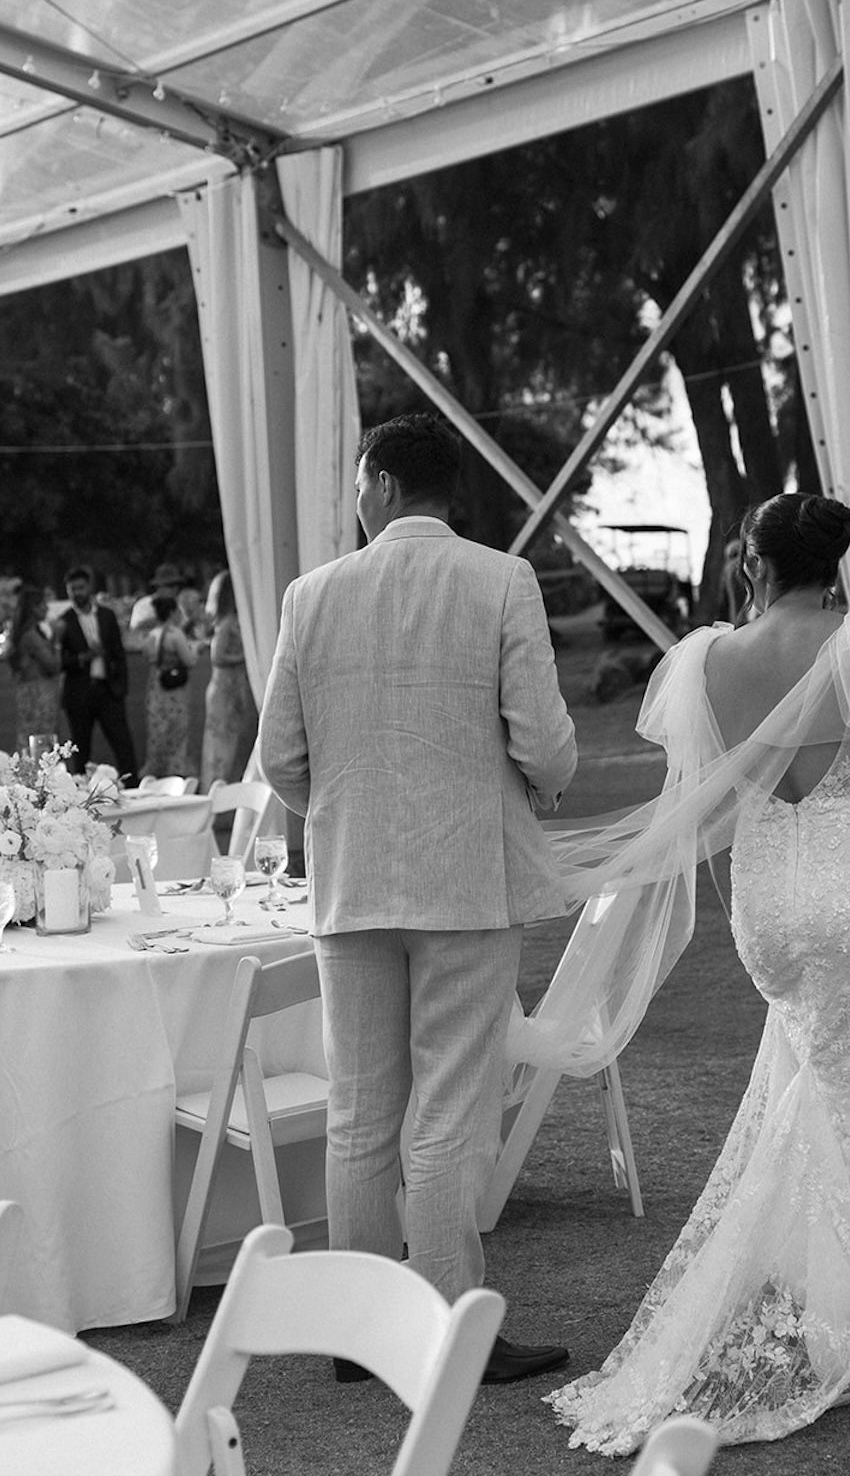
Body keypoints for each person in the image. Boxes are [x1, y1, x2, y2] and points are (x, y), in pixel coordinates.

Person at [547, 493, 850, 1454]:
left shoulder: (705, 658)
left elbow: (705, 798)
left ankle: (826, 1313)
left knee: (805, 1089)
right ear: (832, 565)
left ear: (753, 563)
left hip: (771, 901)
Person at [258, 413, 578, 1384]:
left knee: (358, 1113)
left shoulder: (311, 596)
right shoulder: (500, 581)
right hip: (465, 881)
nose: (354, 501)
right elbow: (545, 743)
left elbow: (280, 756)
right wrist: (537, 783)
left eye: (359, 484)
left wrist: (342, 815)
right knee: (447, 1111)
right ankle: (447, 1329)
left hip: (352, 883)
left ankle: (361, 1330)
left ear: (386, 487)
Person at [57, 565, 138, 782]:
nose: (77, 593)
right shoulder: (64, 621)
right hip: (79, 691)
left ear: (89, 588)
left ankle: (133, 786)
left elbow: (119, 654)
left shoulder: (106, 616)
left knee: (122, 743)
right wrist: (82, 658)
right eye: (73, 589)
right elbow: (60, 660)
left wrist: (121, 688)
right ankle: (80, 793)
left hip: (108, 688)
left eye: (81, 588)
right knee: (80, 747)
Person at [198, 570, 254, 796]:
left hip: (233, 687)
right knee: (220, 746)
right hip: (224, 689)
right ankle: (217, 794)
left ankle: (227, 794)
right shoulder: (228, 623)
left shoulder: (232, 622)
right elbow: (217, 656)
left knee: (232, 743)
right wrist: (246, 657)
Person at [141, 591, 198, 779]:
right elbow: (189, 661)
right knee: (177, 739)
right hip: (174, 694)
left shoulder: (151, 636)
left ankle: (155, 778)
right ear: (173, 612)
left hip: (155, 692)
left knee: (157, 738)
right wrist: (196, 649)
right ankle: (176, 777)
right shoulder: (175, 634)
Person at [6, 583, 60, 751]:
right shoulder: (31, 636)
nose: (46, 608)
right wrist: (57, 640)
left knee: (32, 738)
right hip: (38, 695)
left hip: (29, 692)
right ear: (33, 608)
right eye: (42, 604)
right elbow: (53, 665)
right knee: (41, 741)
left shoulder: (25, 633)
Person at [129, 563, 184, 637]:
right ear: (159, 586)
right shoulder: (144, 604)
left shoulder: (179, 604)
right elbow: (135, 629)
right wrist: (163, 619)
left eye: (177, 585)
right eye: (170, 585)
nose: (175, 589)